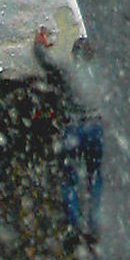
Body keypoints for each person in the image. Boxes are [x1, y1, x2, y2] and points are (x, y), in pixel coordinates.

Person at [34, 27, 104, 247]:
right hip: (95, 127)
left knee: (69, 178)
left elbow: (47, 63)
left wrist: (39, 44)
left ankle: (74, 225)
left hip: (72, 129)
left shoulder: (67, 72)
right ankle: (93, 224)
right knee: (95, 177)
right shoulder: (98, 73)